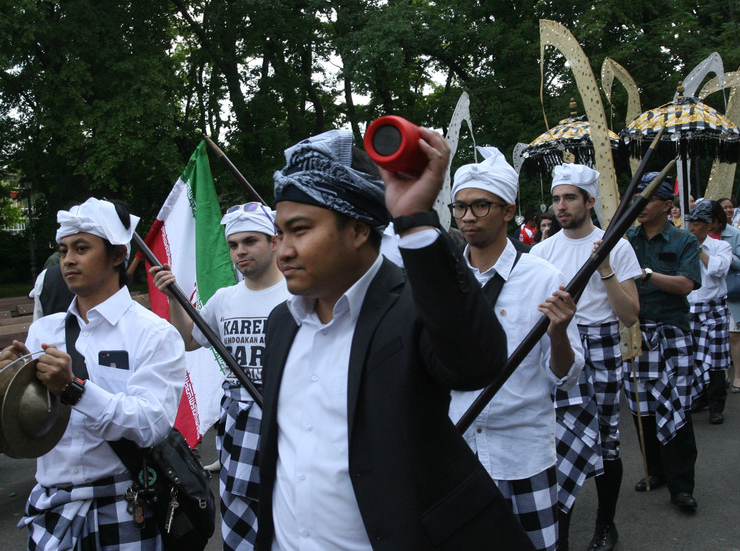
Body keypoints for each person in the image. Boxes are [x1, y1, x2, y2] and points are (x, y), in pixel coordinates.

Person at [255, 128, 535, 549]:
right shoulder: (281, 323)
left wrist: (415, 221)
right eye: (279, 234)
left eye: (300, 230)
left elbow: (477, 363)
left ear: (357, 230)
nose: (284, 251)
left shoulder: (415, 304)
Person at [0, 197, 188, 550]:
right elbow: (28, 427)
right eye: (64, 249)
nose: (68, 259)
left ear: (117, 255)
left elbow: (152, 425)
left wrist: (75, 389)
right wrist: (8, 383)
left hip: (123, 503)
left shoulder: (154, 333)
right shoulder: (44, 330)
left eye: (81, 248)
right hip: (52, 505)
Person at [448, 148, 584, 550]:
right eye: (460, 207)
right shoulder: (444, 278)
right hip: (458, 447)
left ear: (508, 211)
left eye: (480, 206)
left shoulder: (543, 277)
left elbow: (564, 375)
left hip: (522, 450)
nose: (468, 217)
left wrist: (559, 334)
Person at [150, 201, 290, 551]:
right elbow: (187, 340)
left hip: (285, 414)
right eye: (233, 244)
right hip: (237, 424)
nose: (240, 251)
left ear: (274, 242)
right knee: (242, 507)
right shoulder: (224, 299)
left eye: (250, 241)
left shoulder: (295, 293)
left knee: (288, 505)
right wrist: (175, 299)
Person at [531, 163, 641, 551]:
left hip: (605, 345)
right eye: (557, 198)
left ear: (589, 201)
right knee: (560, 441)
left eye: (569, 198)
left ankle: (605, 526)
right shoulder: (541, 251)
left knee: (606, 440)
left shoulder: (618, 245)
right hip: (561, 345)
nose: (561, 206)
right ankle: (558, 534)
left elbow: (629, 315)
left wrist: (606, 267)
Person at [624, 171, 702, 512]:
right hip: (635, 333)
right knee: (643, 410)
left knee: (677, 409)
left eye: (650, 198)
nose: (641, 204)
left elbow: (686, 284)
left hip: (671, 332)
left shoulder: (684, 240)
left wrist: (646, 274)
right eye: (637, 197)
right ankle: (654, 471)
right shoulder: (625, 239)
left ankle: (682, 486)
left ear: (668, 205)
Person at [684, 200, 733, 424]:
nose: (692, 227)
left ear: (709, 225)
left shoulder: (721, 246)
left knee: (716, 360)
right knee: (693, 358)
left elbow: (719, 269)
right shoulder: (682, 245)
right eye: (691, 223)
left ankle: (716, 405)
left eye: (697, 223)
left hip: (713, 309)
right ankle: (700, 397)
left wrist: (698, 250)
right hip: (691, 309)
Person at [712, 199, 740, 394]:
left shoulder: (734, 234)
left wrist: (725, 258)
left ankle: (738, 376)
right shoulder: (699, 235)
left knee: (733, 335)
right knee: (715, 338)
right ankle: (721, 375)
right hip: (711, 292)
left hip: (733, 291)